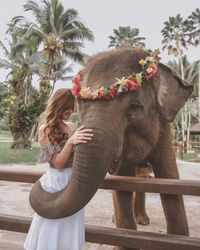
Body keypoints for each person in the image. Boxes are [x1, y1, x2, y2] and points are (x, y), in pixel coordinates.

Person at [24, 88, 93, 250]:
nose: (70, 111)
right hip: (55, 183)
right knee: (52, 224)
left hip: (73, 182)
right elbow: (58, 164)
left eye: (72, 107)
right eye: (66, 107)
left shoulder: (72, 127)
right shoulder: (45, 130)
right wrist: (70, 142)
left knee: (70, 223)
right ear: (57, 106)